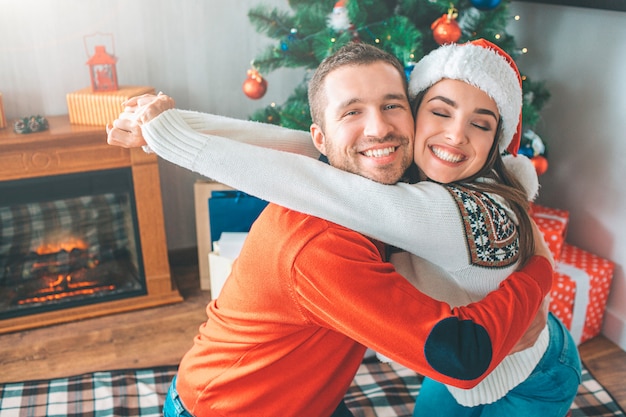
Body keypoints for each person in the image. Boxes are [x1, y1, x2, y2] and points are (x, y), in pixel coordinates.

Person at [107, 42, 555, 417]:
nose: (378, 129)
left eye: (391, 106)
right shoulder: (323, 246)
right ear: (322, 139)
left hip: (302, 391)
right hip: (234, 406)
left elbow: (299, 148)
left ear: (411, 116)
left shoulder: (378, 181)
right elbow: (463, 353)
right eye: (352, 113)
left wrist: (167, 126)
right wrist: (538, 275)